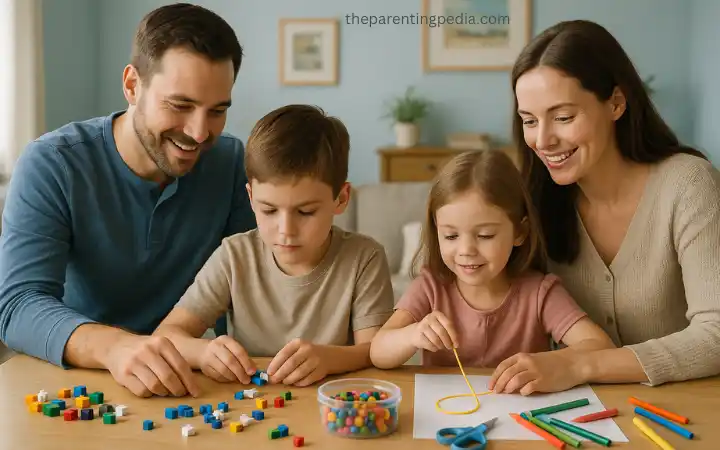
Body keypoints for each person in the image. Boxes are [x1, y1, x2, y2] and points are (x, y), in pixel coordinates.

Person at [0, 3, 256, 398]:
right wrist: (116, 347)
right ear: (133, 85)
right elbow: (18, 306)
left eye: (217, 111)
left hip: (191, 386)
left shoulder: (233, 164)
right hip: (77, 386)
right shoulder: (52, 163)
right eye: (180, 105)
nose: (200, 133)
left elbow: (246, 293)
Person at [491, 19, 720, 393]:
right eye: (529, 121)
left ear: (615, 102)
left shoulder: (689, 185)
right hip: (576, 420)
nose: (543, 140)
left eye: (563, 117)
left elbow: (716, 335)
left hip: (686, 416)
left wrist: (582, 362)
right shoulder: (534, 201)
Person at [153, 104, 396, 387]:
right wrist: (203, 352)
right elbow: (166, 335)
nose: (286, 231)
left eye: (305, 212)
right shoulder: (234, 256)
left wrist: (329, 359)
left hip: (332, 408)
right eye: (269, 210)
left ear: (340, 198)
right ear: (251, 196)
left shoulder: (364, 258)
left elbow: (375, 351)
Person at [369, 150, 615, 395]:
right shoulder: (430, 287)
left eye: (485, 235)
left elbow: (601, 347)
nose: (466, 250)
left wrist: (559, 362)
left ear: (519, 232)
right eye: (451, 236)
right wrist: (412, 335)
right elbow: (378, 352)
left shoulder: (540, 293)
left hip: (522, 420)